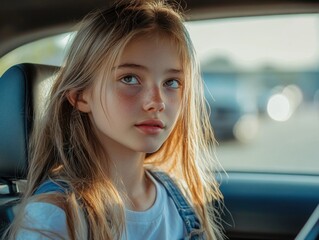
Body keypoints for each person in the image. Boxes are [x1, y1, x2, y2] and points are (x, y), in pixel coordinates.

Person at [5, 0, 224, 239]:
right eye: (130, 78)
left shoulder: (179, 199)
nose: (157, 102)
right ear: (80, 96)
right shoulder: (55, 217)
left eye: (171, 82)